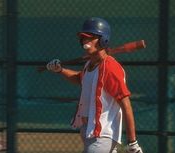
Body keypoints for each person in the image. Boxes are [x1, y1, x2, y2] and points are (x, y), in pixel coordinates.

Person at [46, 17, 143, 153]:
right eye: (83, 38)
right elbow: (80, 79)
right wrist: (60, 70)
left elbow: (126, 104)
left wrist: (132, 142)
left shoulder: (110, 68)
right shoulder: (89, 65)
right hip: (89, 131)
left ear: (103, 40)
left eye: (90, 38)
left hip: (102, 135)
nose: (86, 42)